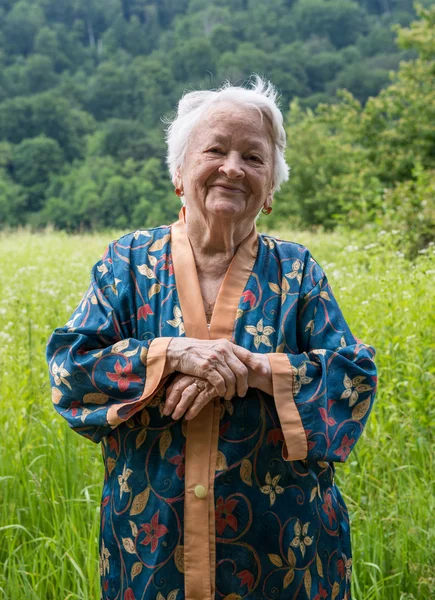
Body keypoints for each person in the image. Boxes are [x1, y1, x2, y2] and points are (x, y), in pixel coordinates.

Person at [46, 75, 377, 600]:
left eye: (253, 157)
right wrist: (173, 354)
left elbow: (353, 376)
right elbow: (71, 366)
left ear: (269, 188)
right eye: (216, 149)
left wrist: (254, 369)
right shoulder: (127, 264)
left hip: (284, 559)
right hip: (149, 556)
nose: (233, 167)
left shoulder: (296, 272)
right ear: (179, 173)